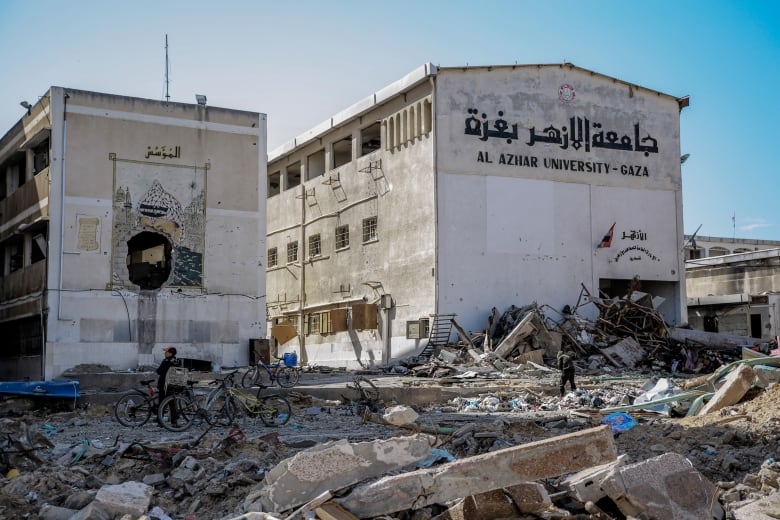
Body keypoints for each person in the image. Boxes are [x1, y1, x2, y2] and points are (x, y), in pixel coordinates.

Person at [156, 346, 181, 424]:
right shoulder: (177, 361)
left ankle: (160, 421)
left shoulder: (166, 361)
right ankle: (174, 421)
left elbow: (159, 371)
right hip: (173, 384)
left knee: (162, 403)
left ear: (170, 353)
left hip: (164, 384)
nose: (165, 353)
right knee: (172, 403)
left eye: (166, 352)